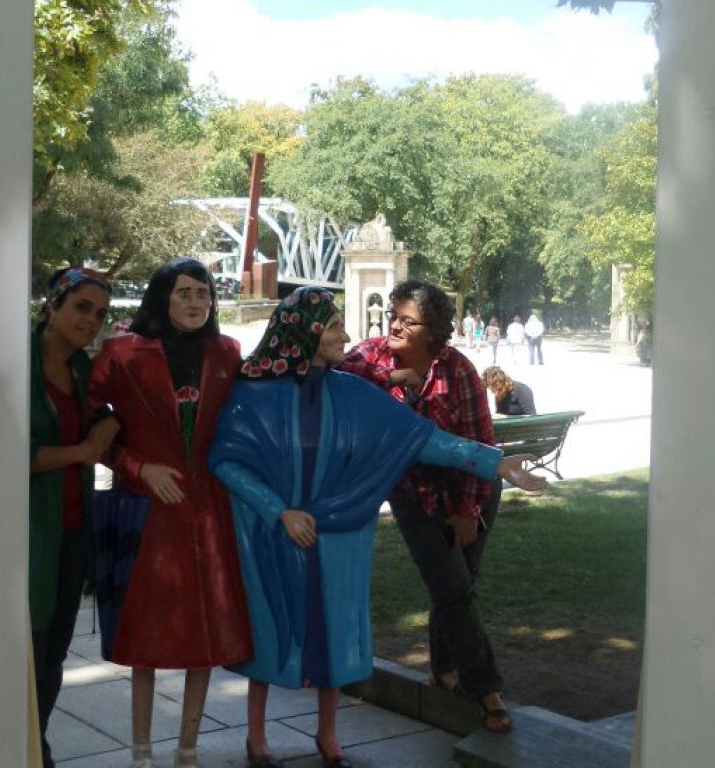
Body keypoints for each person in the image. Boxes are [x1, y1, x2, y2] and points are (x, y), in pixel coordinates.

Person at [208, 287, 544, 768]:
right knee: (271, 628)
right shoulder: (253, 396)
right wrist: (277, 510)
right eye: (335, 325)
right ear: (309, 332)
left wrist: (495, 463)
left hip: (337, 533)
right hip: (276, 535)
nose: (348, 334)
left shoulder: (351, 394)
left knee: (334, 630)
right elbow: (225, 460)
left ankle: (328, 733)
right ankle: (256, 735)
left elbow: (424, 438)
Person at [89, 258, 253, 768]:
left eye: (203, 293)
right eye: (184, 292)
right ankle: (140, 752)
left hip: (208, 514)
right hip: (147, 514)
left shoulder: (227, 352)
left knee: (204, 636)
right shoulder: (122, 354)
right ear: (163, 297)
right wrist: (139, 469)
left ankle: (188, 749)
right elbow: (91, 425)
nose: (195, 302)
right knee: (144, 638)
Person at [338, 280, 517, 735]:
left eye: (408, 320)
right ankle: (486, 689)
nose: (395, 324)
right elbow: (332, 377)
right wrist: (394, 378)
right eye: (394, 315)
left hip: (471, 489)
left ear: (434, 330)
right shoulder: (373, 355)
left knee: (457, 586)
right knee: (455, 589)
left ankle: (442, 669)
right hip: (412, 493)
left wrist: (466, 511)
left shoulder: (458, 370)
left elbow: (481, 441)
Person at [30, 267, 120, 768]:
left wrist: (111, 419)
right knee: (25, 649)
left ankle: (33, 743)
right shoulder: (18, 363)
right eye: (82, 308)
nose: (91, 320)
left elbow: (108, 417)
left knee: (53, 656)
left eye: (100, 314)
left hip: (72, 532)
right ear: (54, 306)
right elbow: (8, 452)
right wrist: (82, 449)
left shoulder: (85, 371)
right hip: (25, 533)